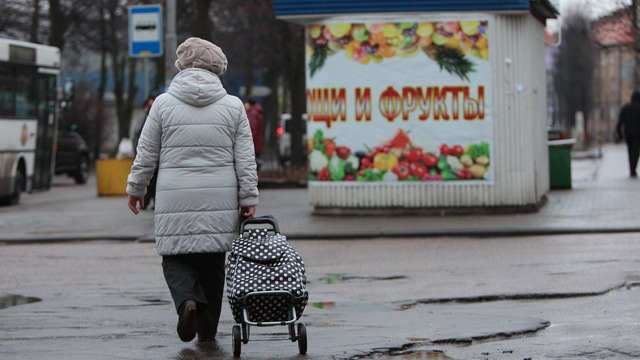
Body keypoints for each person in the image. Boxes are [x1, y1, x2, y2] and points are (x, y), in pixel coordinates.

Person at [126, 37, 259, 343]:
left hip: (174, 196)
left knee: (175, 256)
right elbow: (245, 158)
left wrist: (136, 188)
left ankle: (187, 300)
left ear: (182, 66)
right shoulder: (233, 106)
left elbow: (146, 153)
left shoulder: (162, 104)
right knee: (212, 260)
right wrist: (248, 197)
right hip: (219, 197)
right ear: (217, 69)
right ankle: (207, 331)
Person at [132, 91, 162, 209]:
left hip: (157, 157)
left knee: (153, 181)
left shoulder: (156, 113)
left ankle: (150, 202)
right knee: (152, 181)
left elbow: (146, 146)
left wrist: (134, 189)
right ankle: (147, 202)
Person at [616, 91, 640, 178]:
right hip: (638, 134)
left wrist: (619, 133)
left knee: (630, 151)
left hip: (628, 134)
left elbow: (620, 121)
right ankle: (633, 169)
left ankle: (631, 169)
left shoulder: (626, 108)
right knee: (636, 151)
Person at [244, 98, 264, 170]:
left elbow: (252, 129)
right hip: (257, 143)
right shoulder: (257, 112)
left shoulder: (252, 114)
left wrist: (248, 142)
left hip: (254, 144)